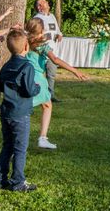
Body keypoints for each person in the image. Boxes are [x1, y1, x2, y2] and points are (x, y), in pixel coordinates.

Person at [25, 18, 88, 150]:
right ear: (41, 30)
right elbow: (55, 59)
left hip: (25, 75)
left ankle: (28, 134)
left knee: (36, 103)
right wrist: (74, 71)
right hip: (37, 76)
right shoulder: (41, 45)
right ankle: (42, 138)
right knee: (45, 105)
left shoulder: (24, 40)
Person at [0, 28, 41, 192]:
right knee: (20, 149)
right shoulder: (27, 67)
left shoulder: (5, 66)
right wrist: (37, 87)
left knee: (7, 146)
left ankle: (0, 180)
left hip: (6, 112)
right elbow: (29, 90)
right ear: (26, 47)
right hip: (20, 114)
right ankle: (18, 182)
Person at [33, 0, 62, 102]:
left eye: (45, 1)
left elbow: (57, 30)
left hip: (52, 50)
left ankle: (50, 95)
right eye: (43, 2)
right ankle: (37, 94)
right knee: (38, 74)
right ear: (39, 7)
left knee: (51, 74)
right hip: (41, 50)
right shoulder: (37, 18)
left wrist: (59, 34)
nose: (46, 3)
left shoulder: (52, 16)